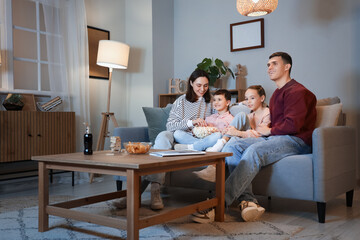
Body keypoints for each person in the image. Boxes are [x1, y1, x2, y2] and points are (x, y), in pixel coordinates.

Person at [192, 52, 317, 223]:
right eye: (268, 65)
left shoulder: (298, 91)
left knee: (254, 150)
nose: (269, 68)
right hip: (276, 138)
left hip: (296, 140)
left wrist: (268, 131)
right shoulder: (275, 95)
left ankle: (217, 204)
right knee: (233, 145)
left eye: (274, 64)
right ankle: (248, 201)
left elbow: (293, 126)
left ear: (287, 67)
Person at [113, 69, 212, 210]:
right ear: (191, 83)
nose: (202, 89)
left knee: (170, 139)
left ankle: (133, 195)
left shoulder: (211, 102)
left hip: (194, 141)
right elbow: (170, 125)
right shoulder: (181, 101)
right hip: (176, 136)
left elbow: (220, 119)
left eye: (206, 86)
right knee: (163, 136)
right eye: (198, 85)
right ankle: (155, 190)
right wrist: (191, 122)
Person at [193, 85, 271, 182]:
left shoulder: (267, 112)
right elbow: (237, 106)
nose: (248, 101)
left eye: (252, 98)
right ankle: (214, 166)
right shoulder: (250, 115)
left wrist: (237, 132)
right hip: (245, 138)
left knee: (241, 116)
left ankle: (220, 145)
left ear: (262, 98)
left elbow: (260, 134)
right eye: (246, 99)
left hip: (257, 140)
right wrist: (230, 131)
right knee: (233, 138)